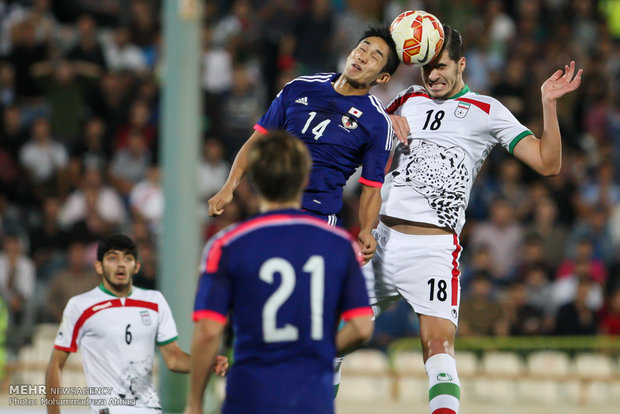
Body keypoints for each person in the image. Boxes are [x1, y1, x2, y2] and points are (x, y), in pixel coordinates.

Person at [364, 24, 582, 414]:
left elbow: (549, 164)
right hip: (379, 240)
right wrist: (380, 119)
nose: (432, 76)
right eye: (426, 68)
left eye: (442, 66)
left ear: (462, 64)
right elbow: (361, 120)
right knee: (333, 332)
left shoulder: (487, 111)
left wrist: (549, 105)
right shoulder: (407, 97)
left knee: (437, 346)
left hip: (432, 248)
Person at [187, 131, 374, 414]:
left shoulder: (226, 245)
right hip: (311, 398)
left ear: (254, 181)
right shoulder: (339, 245)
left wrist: (194, 404)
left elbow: (208, 331)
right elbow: (361, 327)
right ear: (303, 178)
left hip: (249, 395)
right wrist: (317, 352)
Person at [208, 26, 400, 265]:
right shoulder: (299, 87)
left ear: (382, 78)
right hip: (274, 208)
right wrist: (229, 186)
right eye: (362, 48)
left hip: (317, 215)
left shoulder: (377, 122)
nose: (363, 56)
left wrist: (365, 230)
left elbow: (371, 187)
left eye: (375, 57)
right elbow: (257, 141)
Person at [46, 234, 227, 414]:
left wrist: (207, 363)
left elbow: (173, 359)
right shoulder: (81, 305)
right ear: (99, 267)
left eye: (128, 258)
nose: (121, 264)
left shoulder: (155, 301)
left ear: (136, 266)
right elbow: (56, 364)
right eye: (112, 258)